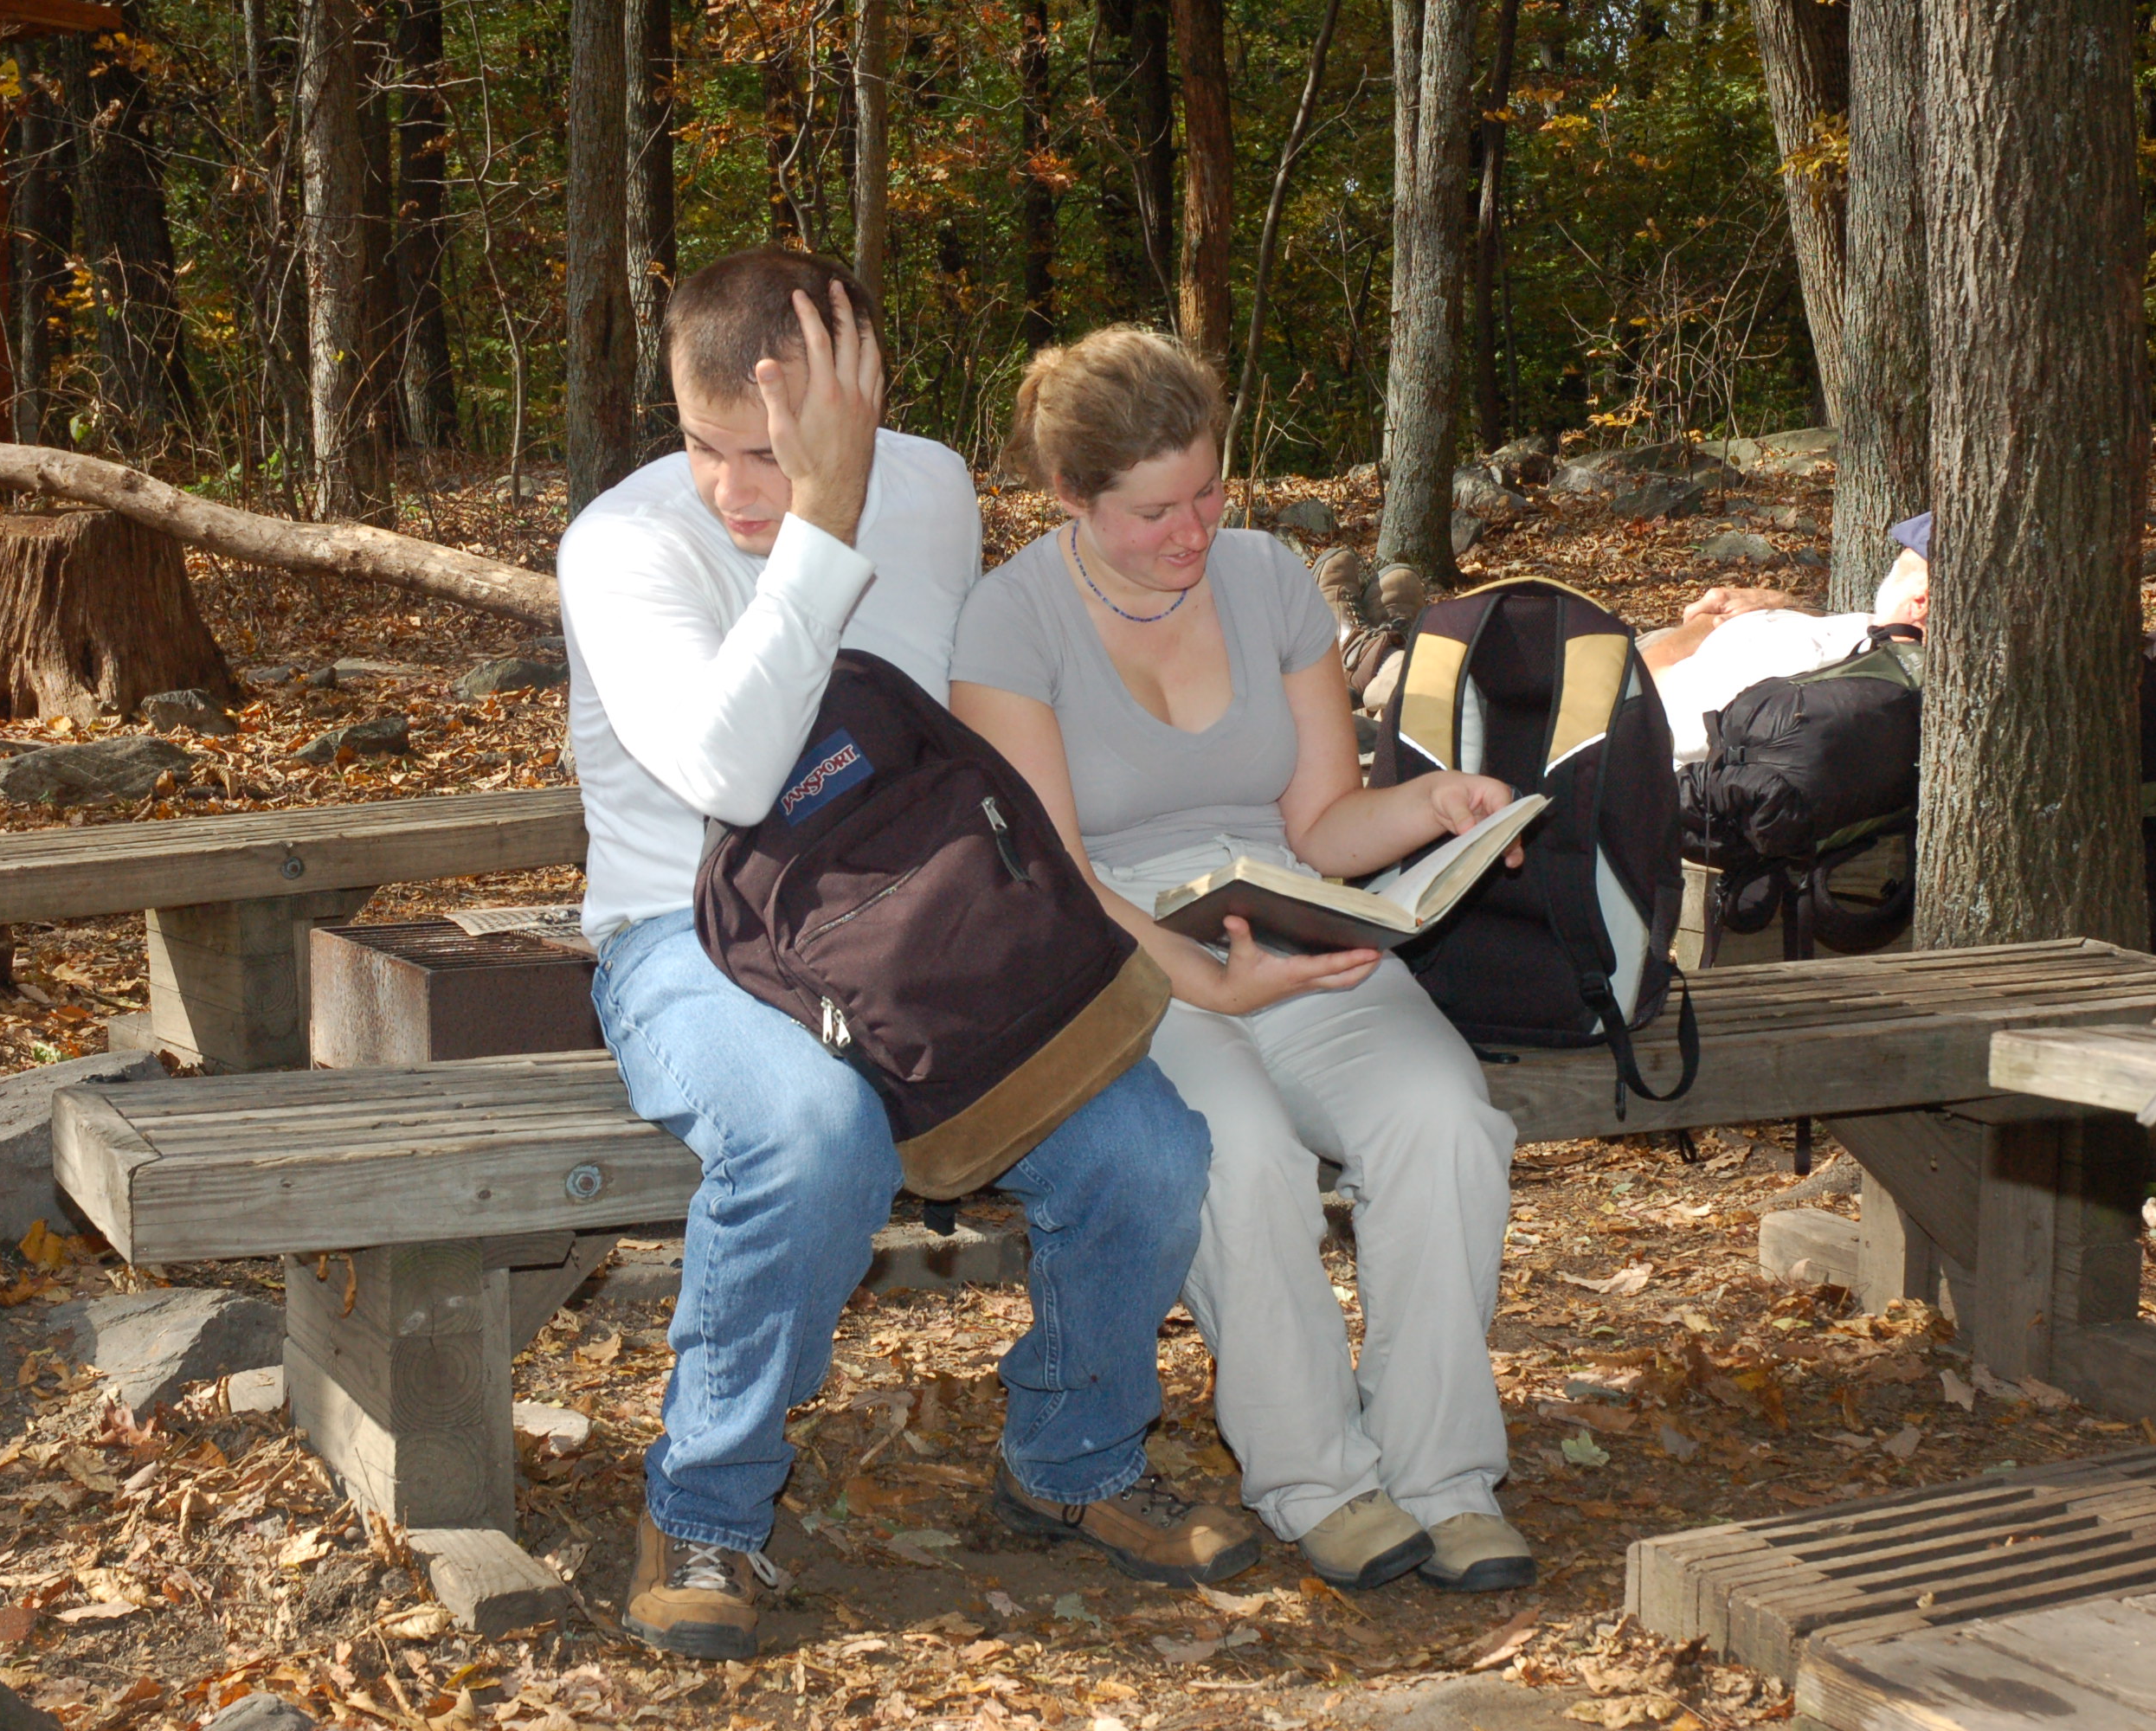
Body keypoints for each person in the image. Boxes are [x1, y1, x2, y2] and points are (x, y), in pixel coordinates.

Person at [560, 256, 1250, 1663]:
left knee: (1148, 1153)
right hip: (685, 938)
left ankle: (1073, 1461)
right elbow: (734, 778)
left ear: (864, 402)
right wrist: (818, 520)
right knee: (814, 1134)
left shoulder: (929, 487)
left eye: (775, 452)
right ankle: (704, 1510)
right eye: (703, 445)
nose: (734, 490)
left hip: (913, 920)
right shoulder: (623, 546)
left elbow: (963, 725)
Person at [949, 328, 1537, 1595]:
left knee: (1443, 1119)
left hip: (1287, 914)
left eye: (1209, 492)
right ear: (1070, 496)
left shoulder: (1266, 578)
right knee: (1241, 1153)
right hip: (1123, 948)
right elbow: (1056, 879)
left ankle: (1444, 1475)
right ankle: (1316, 1480)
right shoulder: (1010, 620)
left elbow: (1323, 826)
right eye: (1154, 511)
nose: (1192, 531)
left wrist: (1434, 809)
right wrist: (1206, 980)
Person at [1643, 512, 1932, 763]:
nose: (1897, 560)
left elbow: (1643, 692)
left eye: (1905, 557)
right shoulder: (1901, 651)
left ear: (1921, 602)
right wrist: (1784, 603)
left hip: (1664, 671)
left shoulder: (1796, 662)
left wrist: (1708, 624)